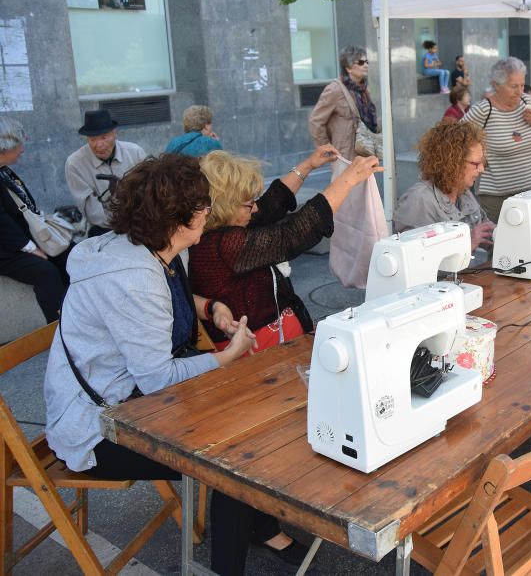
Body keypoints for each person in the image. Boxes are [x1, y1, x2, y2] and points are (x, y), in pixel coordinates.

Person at [43, 153, 308, 575]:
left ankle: (258, 526)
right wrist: (226, 356)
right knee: (233, 461)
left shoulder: (153, 250)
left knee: (249, 419)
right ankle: (232, 557)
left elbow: (170, 310)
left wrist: (212, 308)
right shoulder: (134, 278)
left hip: (133, 399)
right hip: (99, 427)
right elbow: (157, 379)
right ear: (178, 218)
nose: (208, 211)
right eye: (202, 205)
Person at [189, 147, 380, 350]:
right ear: (224, 208)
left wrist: (307, 166)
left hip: (277, 340)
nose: (254, 208)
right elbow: (292, 234)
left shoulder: (222, 229)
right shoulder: (224, 244)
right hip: (262, 352)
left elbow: (271, 203)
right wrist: (347, 180)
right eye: (248, 204)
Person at [0, 117, 71, 322]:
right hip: (6, 249)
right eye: (19, 144)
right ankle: (59, 326)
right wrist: (30, 247)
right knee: (45, 272)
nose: (22, 149)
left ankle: (80, 315)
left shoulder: (5, 170)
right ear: (5, 146)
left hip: (21, 238)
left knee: (69, 254)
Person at [462, 57, 531, 222]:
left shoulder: (527, 102)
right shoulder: (483, 110)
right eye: (514, 86)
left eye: (522, 85)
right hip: (498, 198)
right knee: (501, 246)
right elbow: (454, 141)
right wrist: (478, 160)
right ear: (496, 85)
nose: (520, 91)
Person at [394, 119, 495, 250]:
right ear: (452, 163)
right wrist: (467, 244)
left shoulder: (462, 193)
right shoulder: (419, 201)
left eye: (483, 163)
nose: (481, 169)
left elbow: (486, 233)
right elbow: (414, 258)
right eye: (476, 164)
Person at [65, 109, 148, 237]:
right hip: (104, 228)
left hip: (140, 220)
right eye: (93, 139)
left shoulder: (135, 152)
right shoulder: (75, 164)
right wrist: (123, 227)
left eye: (104, 137)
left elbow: (149, 191)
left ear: (115, 134)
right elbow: (93, 212)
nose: (99, 145)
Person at [308, 46, 378, 159]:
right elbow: (316, 121)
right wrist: (327, 150)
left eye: (366, 61)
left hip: (365, 151)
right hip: (345, 155)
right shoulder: (334, 90)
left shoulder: (364, 89)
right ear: (348, 68)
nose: (365, 65)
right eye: (360, 62)